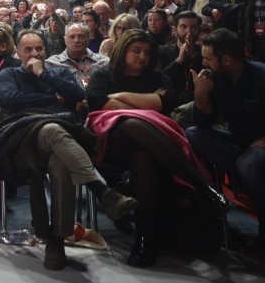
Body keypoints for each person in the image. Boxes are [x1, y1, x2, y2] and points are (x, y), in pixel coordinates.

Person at [0, 30, 138, 270]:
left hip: (60, 140)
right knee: (51, 128)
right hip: (22, 138)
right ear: (18, 53)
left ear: (45, 51)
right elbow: (7, 98)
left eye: (38, 48)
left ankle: (55, 242)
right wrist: (52, 99)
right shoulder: (10, 73)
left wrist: (43, 74)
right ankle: (101, 190)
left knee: (60, 162)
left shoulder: (57, 72)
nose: (34, 53)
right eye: (27, 49)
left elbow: (79, 94)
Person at [86, 30, 226, 267]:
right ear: (123, 51)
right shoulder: (103, 74)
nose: (142, 57)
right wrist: (147, 101)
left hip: (151, 146)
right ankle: (202, 186)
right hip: (109, 141)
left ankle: (145, 240)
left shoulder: (159, 79)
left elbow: (165, 103)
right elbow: (99, 102)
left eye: (147, 53)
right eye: (136, 51)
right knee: (131, 123)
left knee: (142, 157)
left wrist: (119, 98)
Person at [186, 28, 265, 259]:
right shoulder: (214, 80)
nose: (203, 62)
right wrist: (200, 95)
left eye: (208, 58)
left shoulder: (261, 76)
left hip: (261, 145)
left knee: (249, 164)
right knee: (192, 134)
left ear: (226, 60)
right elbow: (205, 123)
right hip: (238, 141)